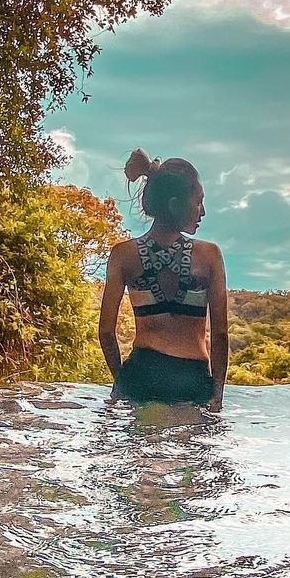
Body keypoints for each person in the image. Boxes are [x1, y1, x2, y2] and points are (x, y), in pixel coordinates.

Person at [98, 148, 229, 409]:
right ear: (174, 204)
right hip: (191, 380)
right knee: (190, 448)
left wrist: (121, 382)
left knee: (141, 449)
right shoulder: (209, 255)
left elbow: (105, 332)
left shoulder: (123, 254)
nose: (202, 211)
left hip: (140, 377)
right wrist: (217, 394)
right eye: (198, 201)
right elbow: (221, 334)